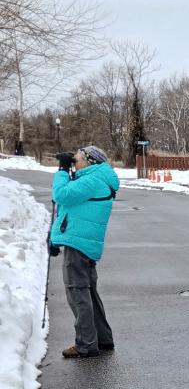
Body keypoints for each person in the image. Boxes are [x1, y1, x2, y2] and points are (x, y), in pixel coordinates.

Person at [51, 146, 119, 358]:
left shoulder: (91, 180)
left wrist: (62, 171)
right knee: (87, 291)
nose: (75, 163)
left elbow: (61, 195)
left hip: (78, 242)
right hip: (83, 241)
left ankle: (86, 344)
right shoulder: (97, 178)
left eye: (78, 159)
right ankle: (102, 338)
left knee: (77, 292)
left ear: (90, 161)